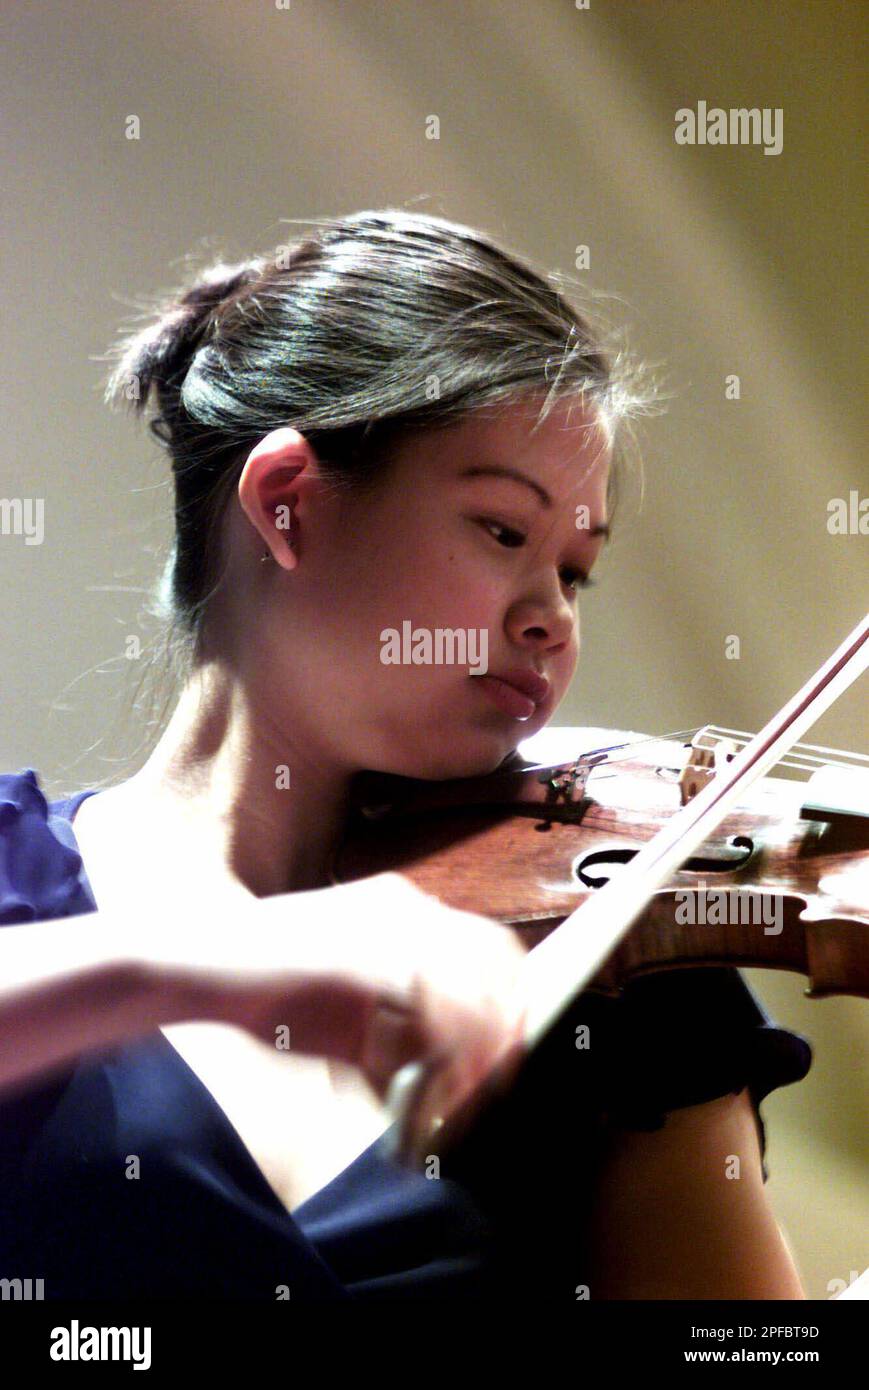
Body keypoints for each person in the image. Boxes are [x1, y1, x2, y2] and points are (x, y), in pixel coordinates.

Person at [0, 209, 811, 1300]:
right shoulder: (18, 891)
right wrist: (210, 961)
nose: (551, 619)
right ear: (288, 506)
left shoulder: (618, 968)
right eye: (502, 533)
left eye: (573, 571)